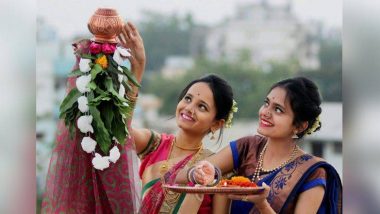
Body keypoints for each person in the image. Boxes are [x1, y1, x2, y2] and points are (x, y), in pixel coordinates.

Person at [118, 21, 237, 213]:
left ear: (216, 124)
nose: (189, 108)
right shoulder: (154, 145)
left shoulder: (217, 167)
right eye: (188, 99)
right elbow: (119, 131)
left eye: (202, 106)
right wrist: (137, 70)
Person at [185, 77, 342, 213]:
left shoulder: (312, 173)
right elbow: (184, 174)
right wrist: (201, 174)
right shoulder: (247, 147)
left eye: (278, 110)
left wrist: (262, 204)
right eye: (266, 103)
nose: (265, 112)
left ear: (300, 126)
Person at [41, 22, 143, 213]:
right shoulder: (84, 133)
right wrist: (138, 70)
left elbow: (120, 128)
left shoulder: (114, 142)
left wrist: (138, 69)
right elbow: (121, 128)